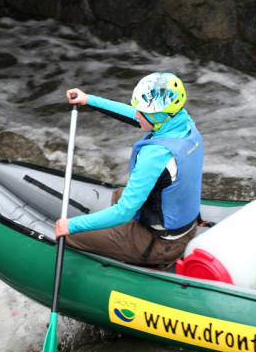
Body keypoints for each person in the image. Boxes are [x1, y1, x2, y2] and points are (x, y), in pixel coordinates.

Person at [55, 72, 204, 267]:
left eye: (141, 112)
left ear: (157, 116)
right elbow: (134, 116)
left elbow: (124, 213)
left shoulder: (155, 155)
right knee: (119, 193)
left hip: (161, 243)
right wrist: (89, 100)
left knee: (72, 236)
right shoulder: (184, 123)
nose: (136, 115)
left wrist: (72, 225)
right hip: (186, 224)